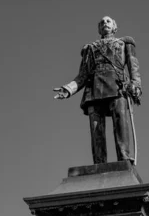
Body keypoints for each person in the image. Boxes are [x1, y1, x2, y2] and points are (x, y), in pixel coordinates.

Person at [54, 16, 142, 165]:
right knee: (96, 130)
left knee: (121, 123)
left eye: (108, 21)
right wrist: (69, 89)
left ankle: (124, 158)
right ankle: (99, 164)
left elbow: (134, 67)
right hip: (94, 89)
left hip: (118, 86)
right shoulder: (90, 48)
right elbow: (82, 75)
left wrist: (136, 85)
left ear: (115, 27)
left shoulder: (124, 43)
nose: (104, 23)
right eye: (101, 22)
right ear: (98, 29)